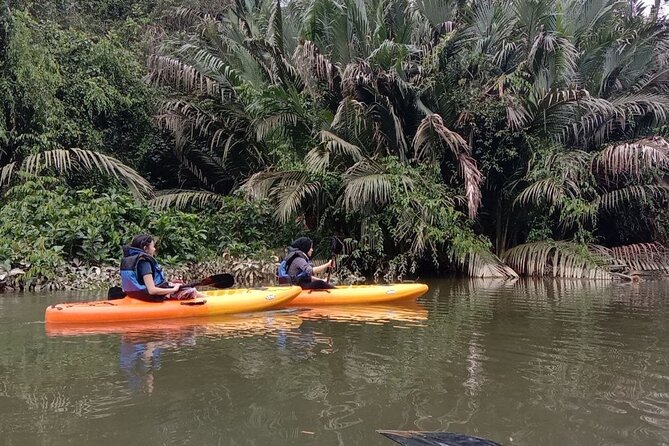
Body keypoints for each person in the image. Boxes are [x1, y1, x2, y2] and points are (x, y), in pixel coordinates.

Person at [120, 234, 204, 301]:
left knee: (180, 285)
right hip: (151, 297)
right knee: (191, 291)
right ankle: (210, 300)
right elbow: (152, 290)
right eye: (153, 246)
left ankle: (207, 296)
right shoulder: (145, 263)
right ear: (145, 248)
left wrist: (170, 285)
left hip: (136, 296)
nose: (154, 249)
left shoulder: (131, 260)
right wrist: (173, 290)